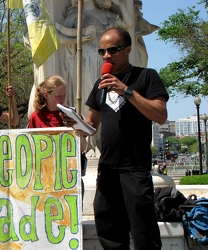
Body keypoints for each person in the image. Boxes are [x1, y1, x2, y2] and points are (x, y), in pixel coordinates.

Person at [62, 27, 169, 249]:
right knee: (108, 226)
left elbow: (160, 115)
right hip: (108, 167)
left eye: (112, 50)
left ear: (128, 49)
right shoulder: (100, 85)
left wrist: (126, 91)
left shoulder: (146, 76)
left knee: (143, 230)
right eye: (102, 51)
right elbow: (92, 125)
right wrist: (76, 123)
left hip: (135, 168)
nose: (106, 56)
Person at [28, 75, 88, 196]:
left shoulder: (72, 114)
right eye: (58, 96)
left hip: (69, 174)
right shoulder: (36, 116)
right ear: (46, 95)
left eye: (64, 95)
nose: (62, 99)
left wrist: (75, 127)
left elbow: (83, 148)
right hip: (45, 175)